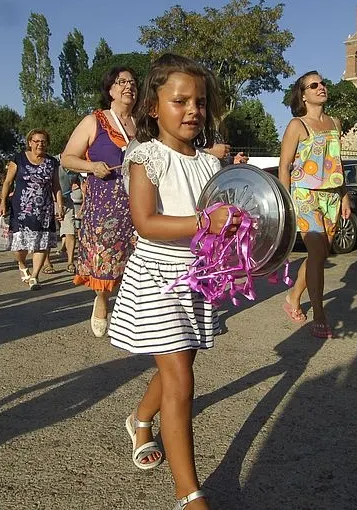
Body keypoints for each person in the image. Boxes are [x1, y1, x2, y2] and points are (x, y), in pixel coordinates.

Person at [109, 53, 242, 510]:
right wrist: (206, 221)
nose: (192, 110)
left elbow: (220, 224)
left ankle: (140, 419)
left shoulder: (209, 165)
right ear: (153, 106)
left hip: (197, 279)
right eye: (180, 100)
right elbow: (146, 222)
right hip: (157, 278)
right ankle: (190, 493)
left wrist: (237, 240)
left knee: (177, 367)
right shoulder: (145, 157)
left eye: (199, 102)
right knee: (181, 378)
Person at [60, 66, 139, 337]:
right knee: (106, 258)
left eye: (132, 82)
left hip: (139, 202)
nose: (128, 86)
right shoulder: (94, 121)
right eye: (121, 82)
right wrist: (92, 166)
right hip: (105, 206)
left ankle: (132, 310)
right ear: (110, 90)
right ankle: (102, 299)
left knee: (139, 258)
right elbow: (67, 158)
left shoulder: (143, 125)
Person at [277, 71, 351, 339]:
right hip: (305, 195)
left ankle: (293, 297)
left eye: (323, 83)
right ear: (303, 95)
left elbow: (337, 162)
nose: (321, 87)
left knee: (318, 256)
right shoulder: (297, 125)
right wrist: (285, 203)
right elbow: (284, 166)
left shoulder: (335, 123)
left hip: (332, 196)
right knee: (318, 253)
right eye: (314, 85)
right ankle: (319, 314)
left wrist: (344, 195)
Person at [0, 130, 62, 290]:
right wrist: (2, 202)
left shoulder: (52, 162)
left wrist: (59, 206)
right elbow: (8, 182)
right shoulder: (18, 159)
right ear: (30, 143)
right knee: (20, 246)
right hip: (21, 209)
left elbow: (56, 186)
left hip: (44, 209)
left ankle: (34, 276)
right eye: (36, 141)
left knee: (41, 243)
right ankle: (21, 263)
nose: (40, 144)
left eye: (43, 141)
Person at [57, 167, 83, 273]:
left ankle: (70, 262)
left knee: (70, 232)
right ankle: (46, 263)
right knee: (48, 233)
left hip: (67, 202)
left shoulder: (75, 169)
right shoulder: (54, 165)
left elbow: (83, 186)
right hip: (51, 200)